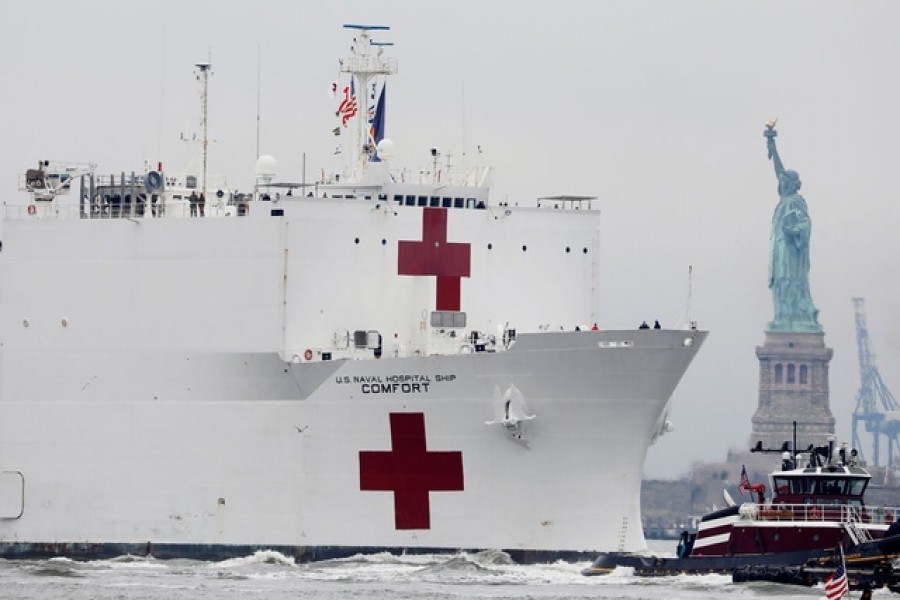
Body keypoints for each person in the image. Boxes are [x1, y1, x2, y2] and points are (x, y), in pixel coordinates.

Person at [763, 122, 821, 332]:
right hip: (780, 249)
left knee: (789, 281)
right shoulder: (784, 198)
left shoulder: (796, 201)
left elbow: (806, 224)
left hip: (791, 251)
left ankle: (796, 315)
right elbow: (778, 169)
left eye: (786, 180)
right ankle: (783, 316)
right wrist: (771, 143)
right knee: (780, 282)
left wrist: (794, 231)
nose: (782, 181)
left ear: (793, 183)